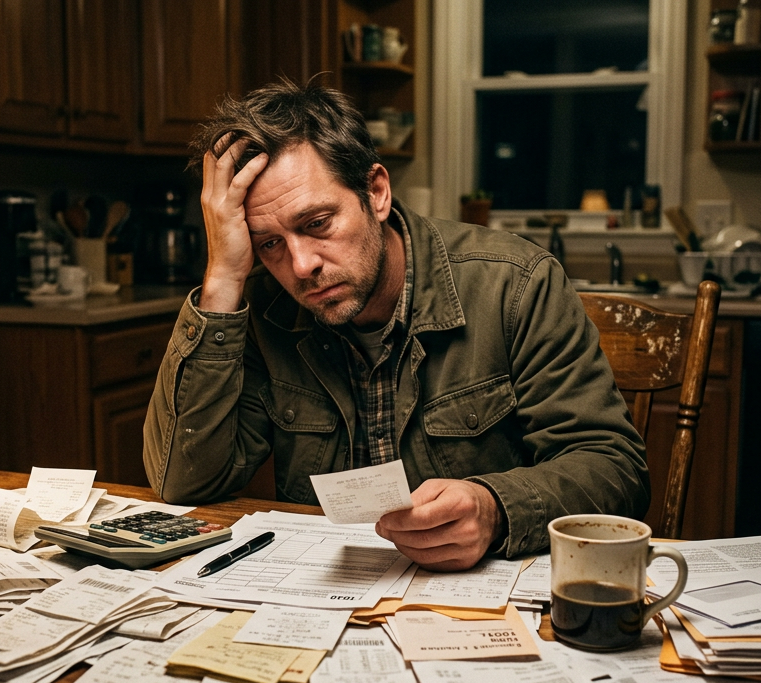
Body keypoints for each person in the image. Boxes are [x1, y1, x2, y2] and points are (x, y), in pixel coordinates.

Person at [144, 80, 648, 571]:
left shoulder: (515, 284)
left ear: (377, 192)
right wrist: (223, 278)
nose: (300, 266)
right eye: (269, 243)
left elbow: (613, 466)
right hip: (325, 596)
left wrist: (496, 508)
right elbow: (184, 485)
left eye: (317, 223)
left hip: (479, 601)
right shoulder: (262, 308)